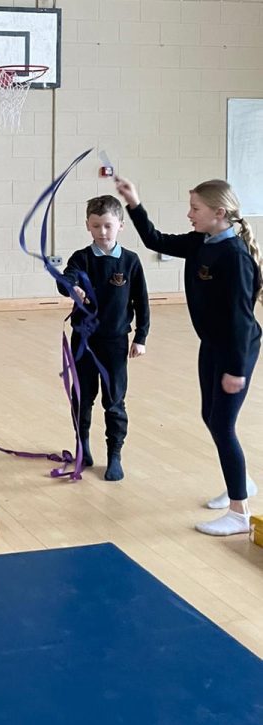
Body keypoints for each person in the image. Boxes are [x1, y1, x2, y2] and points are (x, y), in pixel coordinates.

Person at [115, 175, 262, 536]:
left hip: (236, 349)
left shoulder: (234, 257)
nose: (189, 214)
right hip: (211, 343)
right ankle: (241, 482)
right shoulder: (201, 242)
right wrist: (134, 202)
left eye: (195, 208)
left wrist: (236, 369)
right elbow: (155, 240)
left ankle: (239, 512)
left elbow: (242, 320)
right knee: (209, 415)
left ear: (219, 213)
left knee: (223, 425)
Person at [57, 195, 149, 481]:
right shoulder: (81, 258)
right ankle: (82, 445)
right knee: (82, 397)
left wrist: (141, 337)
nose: (102, 232)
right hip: (84, 341)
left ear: (120, 225)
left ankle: (114, 454)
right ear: (88, 225)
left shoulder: (130, 261)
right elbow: (67, 278)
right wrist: (71, 287)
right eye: (96, 226)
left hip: (115, 342)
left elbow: (142, 302)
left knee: (114, 400)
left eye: (108, 225)